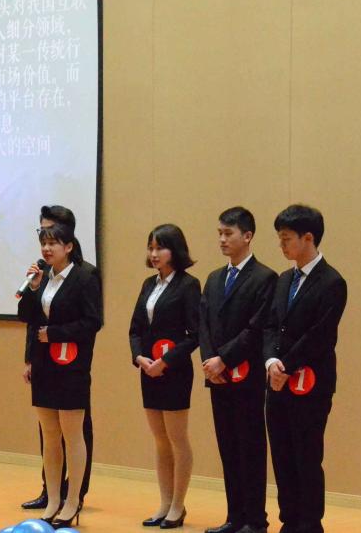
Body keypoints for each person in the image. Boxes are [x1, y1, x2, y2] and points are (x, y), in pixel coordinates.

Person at [263, 204, 347, 533]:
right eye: (279, 238)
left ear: (308, 238)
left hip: (310, 384)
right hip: (277, 382)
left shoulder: (332, 282)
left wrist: (286, 365)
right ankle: (289, 522)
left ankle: (310, 525)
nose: (281, 245)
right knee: (282, 456)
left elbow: (320, 336)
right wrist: (271, 362)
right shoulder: (284, 279)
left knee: (307, 457)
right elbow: (271, 326)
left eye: (286, 238)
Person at [17, 222, 102, 528]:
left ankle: (72, 500)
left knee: (72, 434)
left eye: (53, 243)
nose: (47, 248)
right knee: (50, 436)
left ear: (68, 247)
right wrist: (34, 288)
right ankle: (52, 499)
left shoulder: (85, 276)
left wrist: (55, 334)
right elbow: (27, 317)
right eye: (44, 243)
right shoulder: (42, 276)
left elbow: (92, 322)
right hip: (44, 365)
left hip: (71, 365)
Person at [198, 207, 277, 533]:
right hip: (217, 377)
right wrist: (209, 360)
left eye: (228, 233)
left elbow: (256, 329)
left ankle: (255, 520)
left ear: (247, 236)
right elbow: (203, 324)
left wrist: (224, 358)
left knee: (250, 447)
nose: (222, 239)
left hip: (247, 377)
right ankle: (234, 517)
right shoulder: (214, 278)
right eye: (219, 233)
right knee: (228, 447)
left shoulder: (265, 278)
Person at [129, 224, 201, 529]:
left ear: (175, 250)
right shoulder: (149, 284)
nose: (154, 253)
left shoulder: (189, 285)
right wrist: (139, 357)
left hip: (174, 371)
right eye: (151, 248)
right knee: (160, 440)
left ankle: (178, 505)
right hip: (149, 370)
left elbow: (195, 335)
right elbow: (135, 329)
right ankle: (164, 502)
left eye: (160, 247)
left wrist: (166, 361)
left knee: (177, 439)